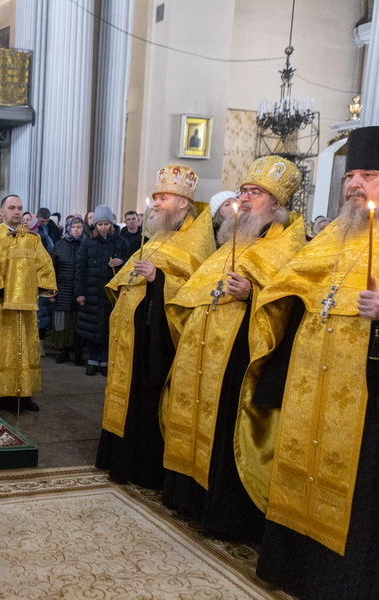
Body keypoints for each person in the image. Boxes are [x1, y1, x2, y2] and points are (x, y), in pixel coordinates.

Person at [236, 126, 379, 599]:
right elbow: (287, 290)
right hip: (309, 385)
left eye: (369, 175)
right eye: (351, 174)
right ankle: (294, 567)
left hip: (366, 394)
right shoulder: (333, 236)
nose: (354, 184)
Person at [161, 156, 303, 542]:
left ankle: (221, 513)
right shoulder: (229, 242)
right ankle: (188, 497)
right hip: (205, 348)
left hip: (240, 351)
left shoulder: (285, 248)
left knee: (225, 422)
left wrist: (252, 293)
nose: (245, 198)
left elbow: (288, 305)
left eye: (256, 193)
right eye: (244, 191)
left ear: (275, 204)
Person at [96, 164, 214, 489]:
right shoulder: (159, 236)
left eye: (163, 197)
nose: (156, 202)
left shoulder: (197, 240)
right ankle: (121, 461)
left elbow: (195, 287)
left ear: (182, 203)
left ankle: (144, 469)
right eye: (156, 196)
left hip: (160, 339)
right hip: (134, 334)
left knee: (148, 401)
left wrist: (158, 279)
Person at [0, 194, 56, 412]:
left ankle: (22, 396)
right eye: (12, 208)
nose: (17, 212)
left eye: (20, 208)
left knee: (23, 350)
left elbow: (45, 267)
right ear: (2, 212)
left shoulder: (32, 240)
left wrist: (32, 287)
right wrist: (3, 290)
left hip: (24, 309)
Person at [75, 205, 129, 375]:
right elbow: (80, 267)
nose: (103, 227)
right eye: (100, 224)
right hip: (91, 291)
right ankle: (92, 360)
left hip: (110, 292)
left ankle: (105, 361)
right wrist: (80, 292)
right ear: (95, 225)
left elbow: (132, 261)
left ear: (111, 224)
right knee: (91, 328)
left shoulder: (120, 241)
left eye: (106, 224)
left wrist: (122, 261)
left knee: (107, 327)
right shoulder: (88, 241)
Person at [50, 216, 84, 364]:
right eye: (74, 227)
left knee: (78, 323)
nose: (76, 230)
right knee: (63, 323)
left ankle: (78, 353)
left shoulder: (86, 244)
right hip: (62, 288)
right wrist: (51, 290)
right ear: (69, 228)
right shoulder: (60, 244)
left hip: (79, 290)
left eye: (79, 227)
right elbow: (52, 269)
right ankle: (63, 351)